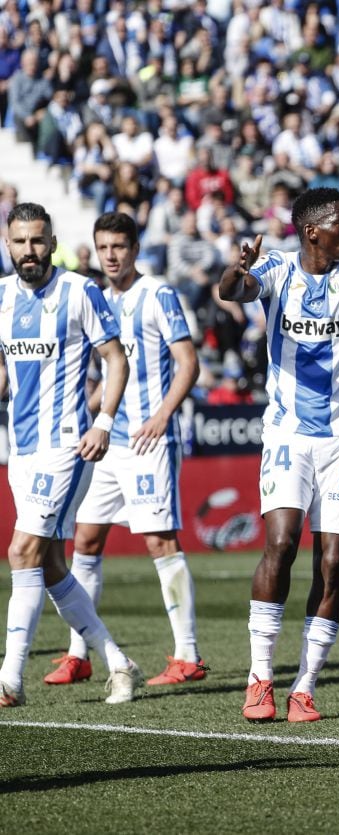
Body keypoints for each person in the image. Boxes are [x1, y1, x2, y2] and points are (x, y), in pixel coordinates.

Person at [218, 187, 339, 723]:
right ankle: (259, 678)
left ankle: (304, 684)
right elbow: (234, 290)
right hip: (287, 435)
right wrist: (238, 269)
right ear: (312, 231)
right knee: (280, 545)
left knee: (333, 563)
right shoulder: (277, 269)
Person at [42, 212, 203, 688]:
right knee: (85, 542)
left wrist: (161, 416)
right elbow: (107, 376)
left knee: (159, 541)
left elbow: (188, 364)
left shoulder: (157, 294)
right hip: (107, 441)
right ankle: (81, 653)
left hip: (148, 441)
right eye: (104, 247)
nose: (112, 255)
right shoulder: (98, 300)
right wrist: (88, 417)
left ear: (134, 248)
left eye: (120, 246)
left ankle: (187, 655)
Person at [0, 202, 143, 707]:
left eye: (38, 240)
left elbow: (116, 360)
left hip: (67, 445)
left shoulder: (79, 290)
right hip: (21, 448)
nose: (29, 250)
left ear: (52, 241)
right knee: (54, 565)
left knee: (21, 552)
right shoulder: (0, 297)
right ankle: (118, 662)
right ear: (7, 243)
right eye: (19, 241)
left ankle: (9, 678)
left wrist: (103, 422)